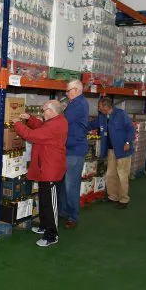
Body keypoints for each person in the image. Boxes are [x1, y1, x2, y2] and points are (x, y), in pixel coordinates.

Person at [14, 100, 68, 247]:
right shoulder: (54, 121)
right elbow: (40, 127)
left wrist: (17, 124)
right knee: (44, 199)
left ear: (52, 111)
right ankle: (44, 225)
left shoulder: (56, 125)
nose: (42, 113)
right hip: (45, 168)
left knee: (50, 204)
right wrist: (29, 119)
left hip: (52, 170)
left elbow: (32, 135)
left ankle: (52, 235)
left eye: (44, 110)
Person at [88, 97, 135, 209]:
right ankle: (113, 196)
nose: (98, 109)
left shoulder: (121, 114)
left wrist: (128, 142)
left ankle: (124, 199)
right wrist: (78, 126)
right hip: (110, 150)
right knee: (110, 173)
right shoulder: (102, 117)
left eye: (99, 107)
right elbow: (92, 125)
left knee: (122, 175)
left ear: (106, 107)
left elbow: (131, 128)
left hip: (122, 150)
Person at [59, 79, 89, 229]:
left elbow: (63, 121)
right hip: (67, 150)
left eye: (68, 90)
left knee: (71, 186)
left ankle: (73, 216)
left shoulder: (79, 104)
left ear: (76, 90)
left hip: (75, 151)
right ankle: (64, 212)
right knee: (64, 184)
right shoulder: (74, 103)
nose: (66, 93)